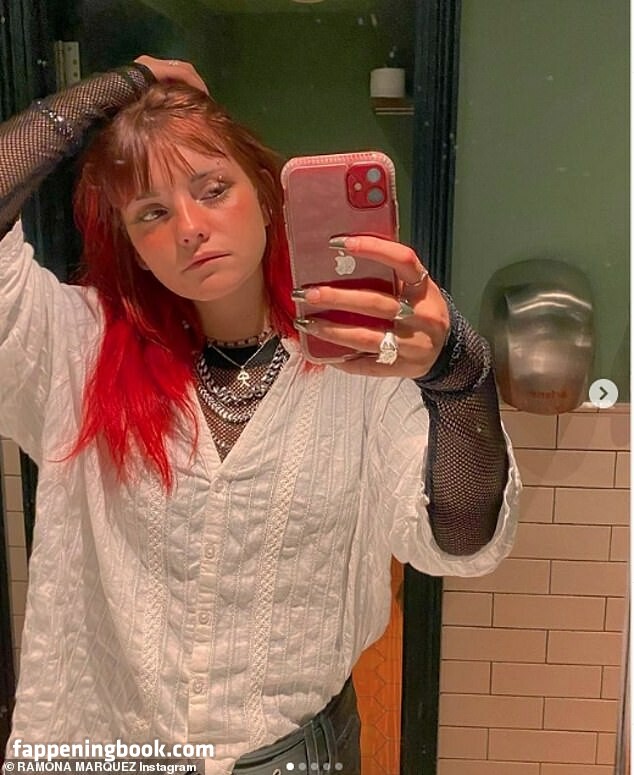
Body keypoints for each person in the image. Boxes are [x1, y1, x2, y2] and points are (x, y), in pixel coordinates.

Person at [0, 56, 521, 774]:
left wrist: (458, 371)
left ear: (268, 200)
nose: (189, 228)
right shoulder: (77, 347)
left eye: (213, 189)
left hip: (298, 756)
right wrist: (128, 84)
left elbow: (460, 538)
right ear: (136, 250)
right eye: (152, 213)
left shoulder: (360, 366)